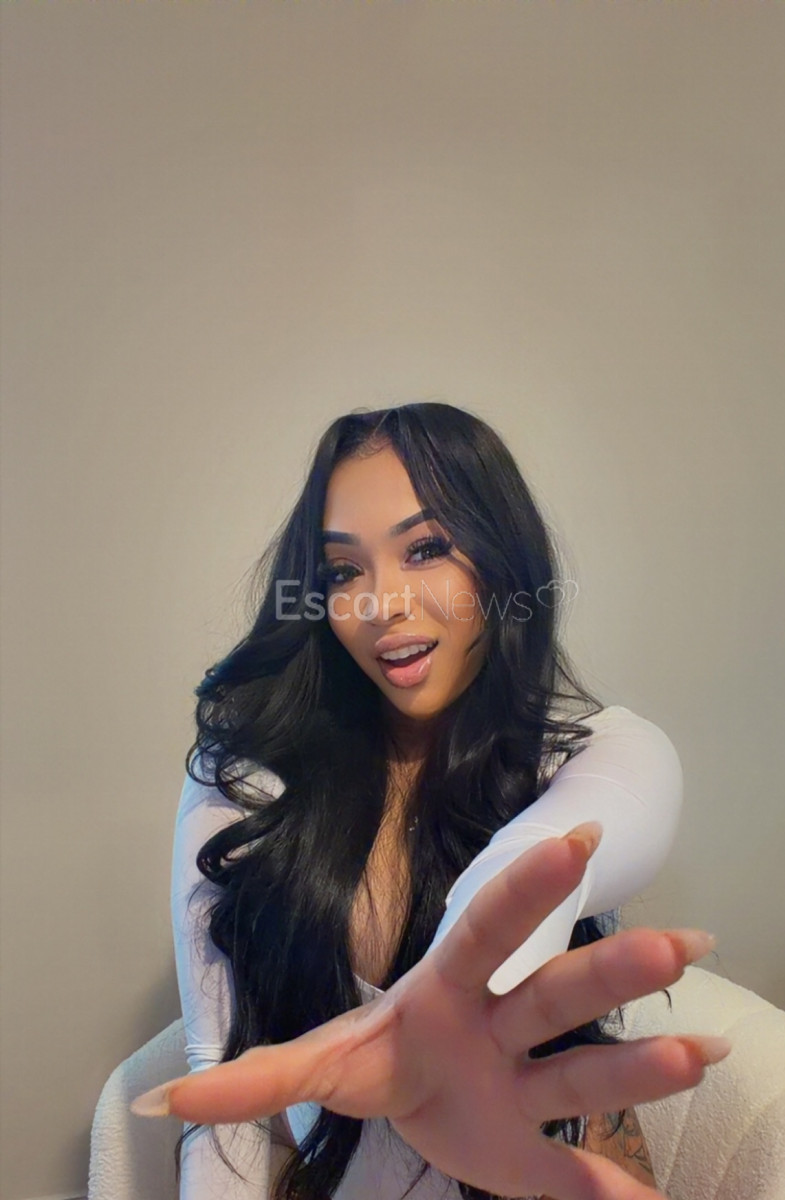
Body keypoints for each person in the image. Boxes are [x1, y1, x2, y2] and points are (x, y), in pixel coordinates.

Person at [132, 403, 728, 1200]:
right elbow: (220, 1083)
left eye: (425, 550)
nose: (381, 603)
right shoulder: (249, 773)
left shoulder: (579, 755)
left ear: (503, 562)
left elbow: (560, 850)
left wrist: (439, 1007)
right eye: (342, 572)